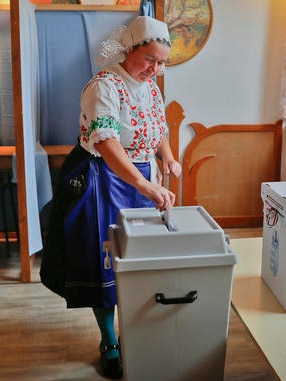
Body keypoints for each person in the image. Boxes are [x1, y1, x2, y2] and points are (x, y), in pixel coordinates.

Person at [40, 15, 181, 379]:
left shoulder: (150, 86)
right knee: (105, 261)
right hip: (103, 179)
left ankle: (135, 330)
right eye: (150, 59)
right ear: (128, 50)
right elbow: (106, 142)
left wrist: (166, 155)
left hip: (139, 177)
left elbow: (159, 124)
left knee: (139, 261)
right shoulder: (104, 86)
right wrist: (145, 185)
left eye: (162, 62)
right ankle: (110, 341)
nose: (156, 69)